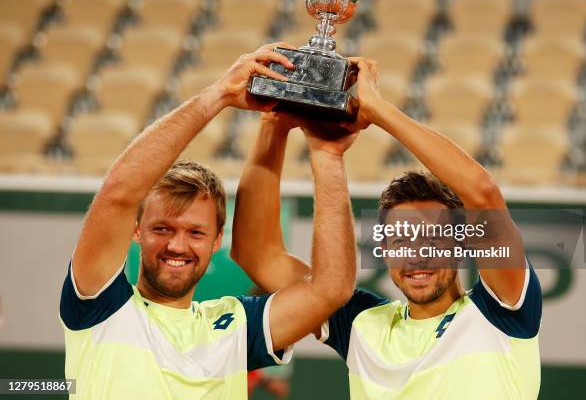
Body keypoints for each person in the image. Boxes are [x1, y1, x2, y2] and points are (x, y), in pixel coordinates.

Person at [59, 43, 358, 399]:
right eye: (162, 228)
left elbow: (331, 288)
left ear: (218, 241)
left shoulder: (236, 326)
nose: (177, 245)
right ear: (136, 230)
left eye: (195, 233)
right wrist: (219, 95)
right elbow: (118, 194)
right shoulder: (100, 306)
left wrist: (319, 151)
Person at [232, 57, 543, 399]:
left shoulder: (501, 309)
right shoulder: (361, 322)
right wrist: (274, 124)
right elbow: (258, 254)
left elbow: (483, 195)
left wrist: (377, 109)